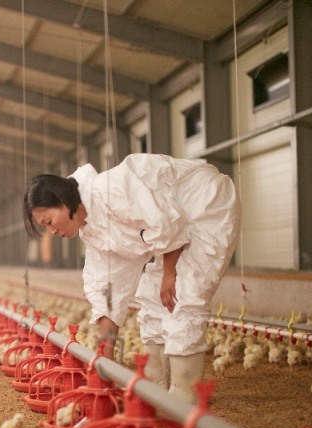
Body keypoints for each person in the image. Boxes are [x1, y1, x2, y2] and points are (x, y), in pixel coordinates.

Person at [23, 153, 240, 403]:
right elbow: (108, 289)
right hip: (176, 228)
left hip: (205, 205)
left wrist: (170, 273)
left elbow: (167, 222)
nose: (52, 231)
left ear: (64, 202)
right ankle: (154, 384)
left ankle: (185, 396)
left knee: (182, 294)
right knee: (152, 297)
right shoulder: (92, 232)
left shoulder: (114, 189)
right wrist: (105, 350)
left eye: (49, 221)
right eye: (46, 227)